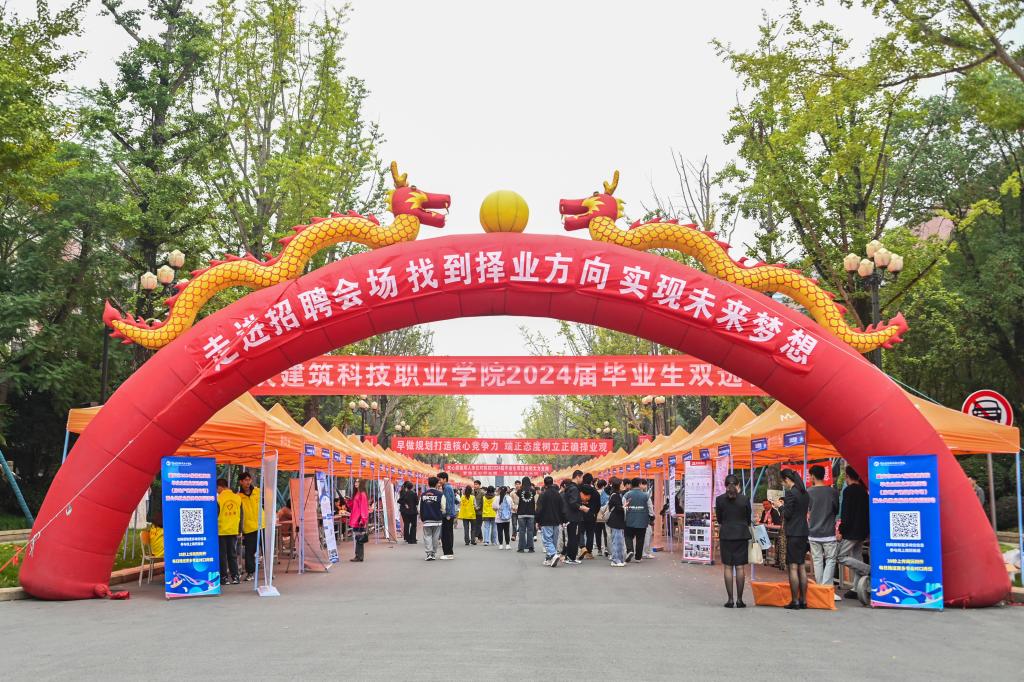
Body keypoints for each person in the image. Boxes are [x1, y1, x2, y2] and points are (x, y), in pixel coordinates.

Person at [715, 474, 752, 608]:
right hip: (741, 535)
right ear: (738, 485)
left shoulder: (719, 500)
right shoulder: (745, 499)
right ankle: (740, 600)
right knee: (740, 567)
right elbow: (748, 518)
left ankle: (730, 599)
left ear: (725, 486)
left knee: (728, 567)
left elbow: (719, 519)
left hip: (726, 535)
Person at [837, 465, 870, 599]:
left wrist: (841, 530)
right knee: (857, 557)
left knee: (840, 556)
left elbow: (846, 513)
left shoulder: (849, 491)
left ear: (847, 476)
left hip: (851, 531)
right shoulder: (864, 491)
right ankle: (857, 588)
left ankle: (868, 570)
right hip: (862, 530)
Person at [807, 465, 839, 600]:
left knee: (817, 560)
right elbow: (836, 510)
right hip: (828, 531)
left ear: (813, 476)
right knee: (830, 560)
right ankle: (826, 589)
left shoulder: (808, 492)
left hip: (813, 531)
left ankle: (820, 589)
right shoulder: (832, 492)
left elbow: (807, 510)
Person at [780, 468, 810, 609]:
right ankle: (803, 600)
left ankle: (795, 601)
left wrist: (781, 507)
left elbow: (788, 514)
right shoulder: (804, 493)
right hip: (803, 531)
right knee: (801, 565)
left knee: (792, 566)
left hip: (793, 532)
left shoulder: (791, 493)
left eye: (783, 482)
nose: (783, 485)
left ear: (787, 479)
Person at [237, 472, 263, 582]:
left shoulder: (258, 491)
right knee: (249, 552)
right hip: (248, 528)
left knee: (266, 550)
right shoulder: (238, 496)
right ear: (241, 482)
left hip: (262, 525)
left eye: (249, 480)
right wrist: (240, 529)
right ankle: (250, 573)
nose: (248, 482)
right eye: (245, 480)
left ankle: (268, 572)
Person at [536, 476, 566, 566]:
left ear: (544, 484)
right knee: (553, 541)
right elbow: (562, 508)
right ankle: (549, 559)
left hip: (546, 520)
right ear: (552, 483)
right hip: (556, 521)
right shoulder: (558, 494)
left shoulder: (543, 495)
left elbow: (539, 509)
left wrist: (537, 520)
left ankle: (553, 554)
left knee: (547, 540)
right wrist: (563, 520)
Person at [216, 478, 241, 584]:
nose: (217, 491)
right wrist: (240, 529)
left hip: (221, 530)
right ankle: (235, 577)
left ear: (220, 487)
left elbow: (215, 514)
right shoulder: (237, 497)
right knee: (232, 554)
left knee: (222, 555)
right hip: (233, 530)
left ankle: (224, 577)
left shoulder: (218, 499)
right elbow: (241, 514)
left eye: (217, 489)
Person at [561, 470, 587, 564]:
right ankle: (571, 557)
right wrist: (582, 507)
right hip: (574, 517)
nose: (582, 479)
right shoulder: (574, 488)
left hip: (569, 516)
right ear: (577, 477)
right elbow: (573, 503)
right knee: (574, 537)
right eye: (582, 477)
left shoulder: (569, 487)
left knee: (572, 537)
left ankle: (569, 556)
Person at [623, 477, 649, 563]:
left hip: (629, 520)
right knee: (640, 539)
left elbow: (623, 507)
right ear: (639, 484)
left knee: (628, 536)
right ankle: (638, 557)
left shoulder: (626, 495)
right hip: (642, 521)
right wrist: (652, 516)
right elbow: (650, 507)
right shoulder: (646, 495)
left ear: (631, 484)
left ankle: (630, 550)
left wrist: (624, 518)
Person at [419, 477, 444, 560]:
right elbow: (443, 507)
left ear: (428, 483)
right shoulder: (440, 494)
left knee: (427, 536)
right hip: (437, 519)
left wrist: (422, 516)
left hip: (427, 519)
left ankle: (429, 553)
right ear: (436, 484)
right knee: (435, 537)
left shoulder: (423, 494)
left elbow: (419, 508)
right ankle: (433, 553)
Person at [606, 477, 627, 567]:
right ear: (618, 485)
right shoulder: (615, 495)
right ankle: (615, 560)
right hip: (616, 521)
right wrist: (624, 507)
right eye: (621, 484)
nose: (623, 485)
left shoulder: (616, 494)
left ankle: (620, 559)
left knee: (619, 540)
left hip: (616, 521)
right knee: (617, 541)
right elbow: (618, 508)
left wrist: (623, 507)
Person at [578, 473, 599, 559]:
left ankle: (582, 547)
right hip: (591, 515)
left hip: (580, 514)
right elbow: (598, 505)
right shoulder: (595, 492)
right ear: (591, 481)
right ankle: (589, 553)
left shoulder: (578, 489)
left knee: (580, 532)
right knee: (590, 533)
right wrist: (595, 513)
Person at [438, 472, 457, 560]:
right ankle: (449, 553)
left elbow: (448, 501)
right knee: (448, 533)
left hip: (447, 515)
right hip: (448, 514)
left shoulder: (447, 488)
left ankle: (448, 553)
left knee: (446, 534)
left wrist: (448, 514)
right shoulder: (447, 487)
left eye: (440, 479)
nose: (439, 481)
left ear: (445, 479)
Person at [349, 481, 369, 562]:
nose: (356, 483)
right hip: (356, 517)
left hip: (359, 519)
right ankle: (358, 556)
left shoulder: (362, 494)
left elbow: (364, 507)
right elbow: (355, 506)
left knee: (359, 537)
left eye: (358, 482)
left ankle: (359, 556)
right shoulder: (357, 493)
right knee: (358, 537)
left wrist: (362, 519)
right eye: (355, 482)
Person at [515, 477, 536, 553]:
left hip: (521, 513)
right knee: (530, 531)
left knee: (522, 531)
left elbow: (517, 496)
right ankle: (531, 548)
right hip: (531, 514)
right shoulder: (533, 491)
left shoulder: (519, 491)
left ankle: (521, 548)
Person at [595, 478, 609, 557]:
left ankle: (599, 549)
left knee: (598, 533)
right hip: (604, 516)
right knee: (605, 533)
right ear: (604, 486)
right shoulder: (607, 496)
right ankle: (606, 548)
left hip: (596, 516)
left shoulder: (594, 494)